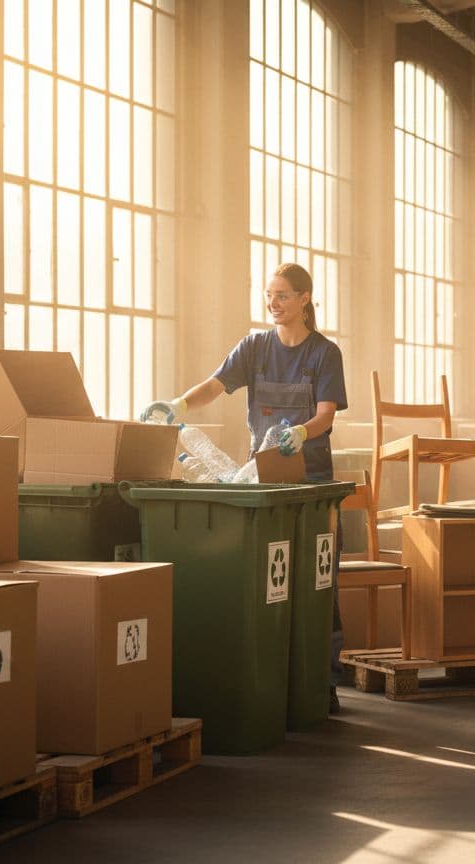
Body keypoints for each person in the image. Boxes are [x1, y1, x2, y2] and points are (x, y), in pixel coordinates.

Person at [141, 263, 349, 713]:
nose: (273, 303)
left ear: (305, 299)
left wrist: (301, 434)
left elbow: (327, 414)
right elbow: (215, 387)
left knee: (318, 582)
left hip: (310, 481)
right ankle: (274, 677)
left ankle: (324, 680)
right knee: (271, 581)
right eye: (269, 295)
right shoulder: (255, 348)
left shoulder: (324, 354)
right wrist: (178, 404)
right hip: (264, 479)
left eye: (283, 296)